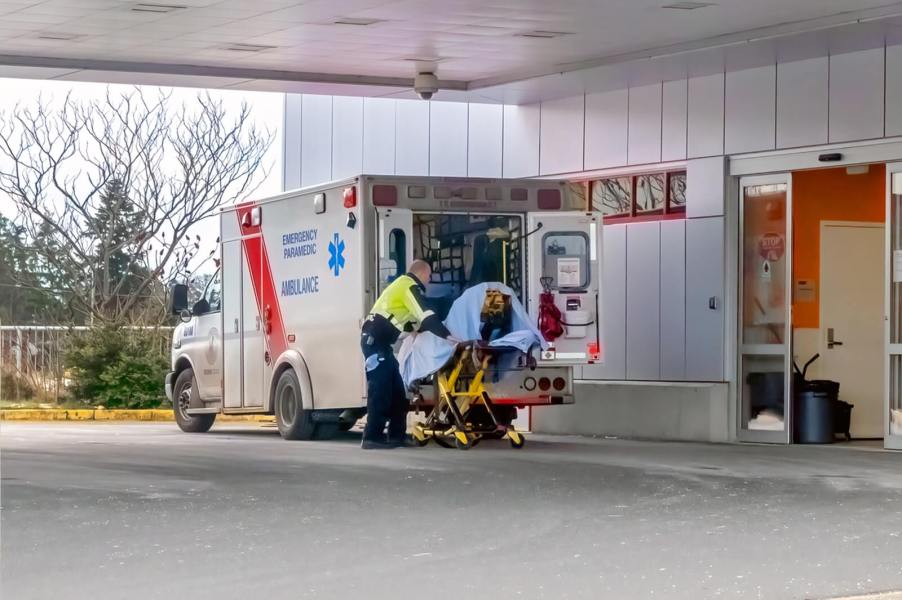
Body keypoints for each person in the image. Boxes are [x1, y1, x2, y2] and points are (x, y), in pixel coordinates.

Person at [360, 259, 458, 449]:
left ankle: (396, 436)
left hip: (382, 346)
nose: (429, 281)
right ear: (421, 273)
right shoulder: (408, 286)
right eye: (429, 276)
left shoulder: (402, 288)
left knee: (398, 392)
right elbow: (425, 315)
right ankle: (371, 437)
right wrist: (448, 336)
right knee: (380, 391)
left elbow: (415, 323)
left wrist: (423, 330)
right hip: (375, 343)